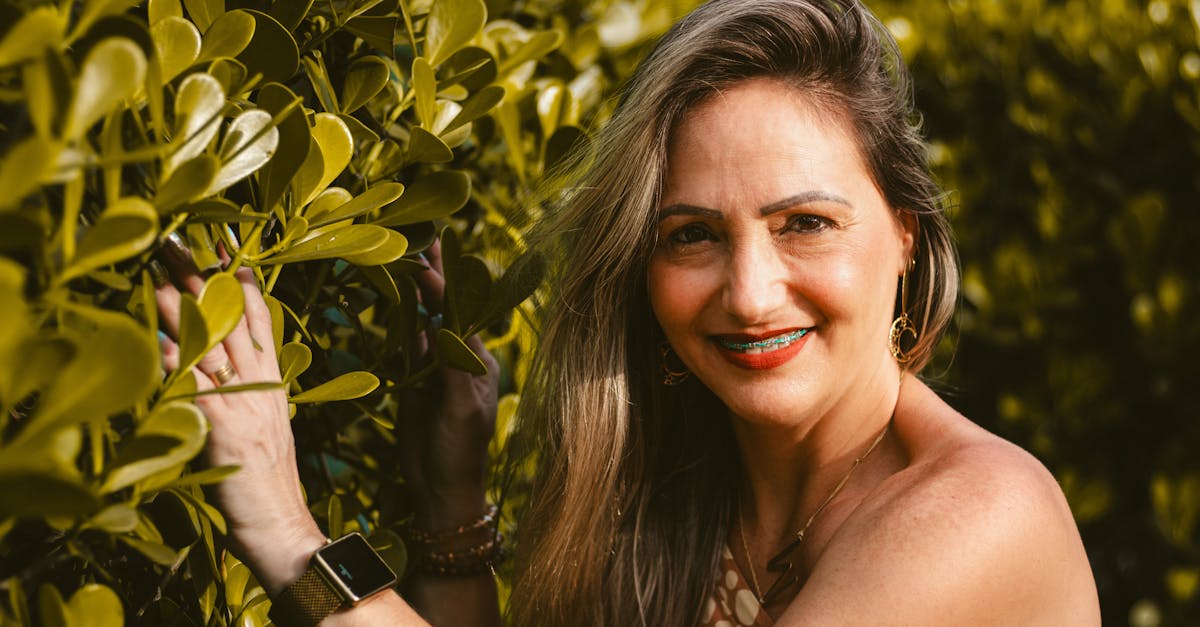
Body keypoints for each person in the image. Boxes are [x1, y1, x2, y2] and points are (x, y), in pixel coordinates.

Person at [156, 0, 1102, 624]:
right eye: (691, 234)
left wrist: (289, 533)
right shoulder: (687, 494)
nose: (748, 291)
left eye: (805, 223)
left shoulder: (979, 513)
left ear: (903, 234)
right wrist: (453, 499)